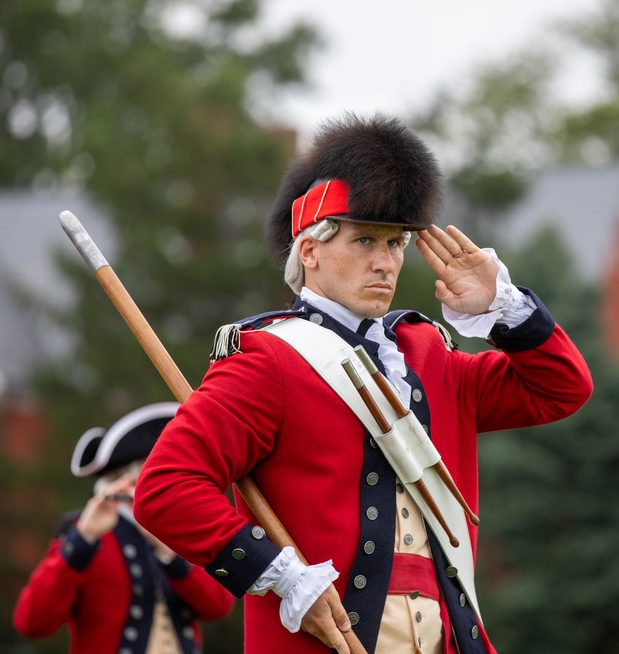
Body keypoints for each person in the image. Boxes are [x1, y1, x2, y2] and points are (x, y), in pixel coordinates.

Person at [134, 113, 593, 654]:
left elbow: (560, 388)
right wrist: (280, 575)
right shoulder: (268, 359)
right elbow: (166, 488)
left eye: (396, 244)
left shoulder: (428, 358)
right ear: (310, 251)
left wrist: (503, 310)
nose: (385, 262)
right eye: (364, 240)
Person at [13, 402, 235, 654]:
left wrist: (168, 551)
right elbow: (32, 622)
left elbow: (218, 606)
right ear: (126, 479)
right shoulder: (82, 531)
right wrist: (81, 541)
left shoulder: (178, 531)